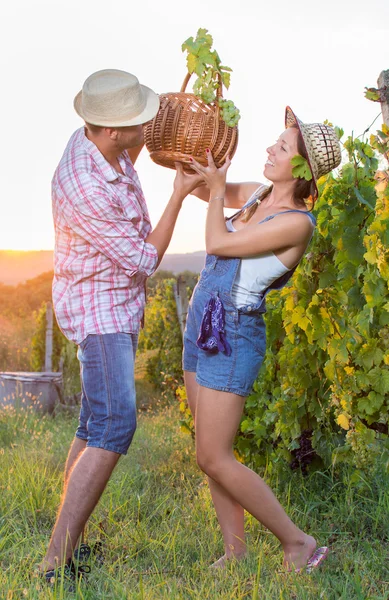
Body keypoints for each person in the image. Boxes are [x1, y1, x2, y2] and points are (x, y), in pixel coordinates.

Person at [40, 69, 204, 586]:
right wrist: (179, 194)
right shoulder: (88, 185)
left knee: (92, 424)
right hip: (100, 309)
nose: (146, 125)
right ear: (112, 131)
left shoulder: (96, 141)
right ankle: (53, 564)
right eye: (138, 122)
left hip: (111, 302)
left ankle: (72, 546)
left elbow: (139, 145)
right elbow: (142, 260)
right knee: (116, 425)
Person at [180, 106, 341, 572]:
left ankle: (298, 542)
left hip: (232, 333)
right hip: (201, 321)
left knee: (215, 454)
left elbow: (217, 243)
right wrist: (194, 162)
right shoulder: (257, 195)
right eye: (275, 141)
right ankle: (235, 552)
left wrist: (212, 195)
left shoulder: (297, 223)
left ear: (304, 169)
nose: (271, 148)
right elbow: (209, 189)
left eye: (283, 146)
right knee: (207, 454)